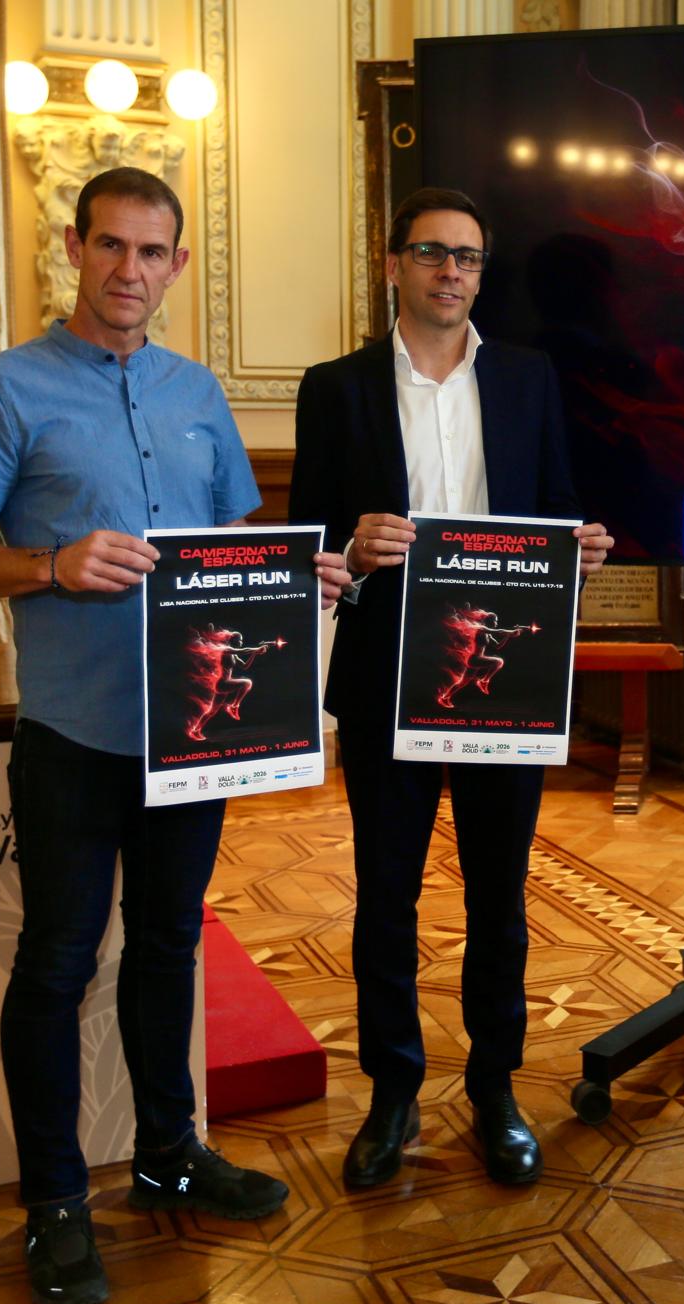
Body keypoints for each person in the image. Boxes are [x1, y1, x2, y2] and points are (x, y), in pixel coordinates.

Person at [0, 167, 350, 1304]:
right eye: (110, 245)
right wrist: (51, 564)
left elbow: (236, 545)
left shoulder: (196, 391)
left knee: (169, 945)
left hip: (194, 734)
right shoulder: (5, 388)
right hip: (73, 732)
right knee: (57, 964)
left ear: (176, 265)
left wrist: (298, 573)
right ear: (76, 248)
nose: (129, 269)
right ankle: (57, 1203)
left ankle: (170, 1152)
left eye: (151, 251)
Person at [288, 187, 613, 1191]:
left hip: (502, 680)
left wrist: (581, 550)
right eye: (431, 253)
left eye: (467, 257)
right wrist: (350, 550)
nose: (450, 272)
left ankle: (494, 1088)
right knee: (385, 896)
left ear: (481, 273)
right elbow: (311, 540)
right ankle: (392, 1093)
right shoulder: (335, 387)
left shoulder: (526, 376)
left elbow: (556, 505)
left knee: (498, 897)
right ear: (393, 265)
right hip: (384, 677)